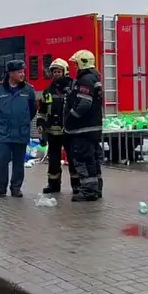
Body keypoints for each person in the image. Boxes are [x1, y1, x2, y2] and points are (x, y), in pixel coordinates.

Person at [0, 60, 37, 198]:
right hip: (3, 132)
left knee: (18, 162)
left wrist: (22, 121)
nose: (22, 74)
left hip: (21, 131)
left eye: (23, 71)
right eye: (19, 72)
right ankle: (1, 188)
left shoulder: (28, 90)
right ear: (10, 73)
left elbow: (33, 110)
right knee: (2, 160)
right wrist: (1, 122)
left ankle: (16, 188)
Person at [64, 50, 104, 202]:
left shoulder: (85, 80)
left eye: (76, 64)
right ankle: (96, 188)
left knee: (83, 160)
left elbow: (84, 104)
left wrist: (71, 118)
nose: (75, 67)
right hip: (93, 128)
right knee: (93, 160)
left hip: (83, 129)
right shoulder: (94, 78)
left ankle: (88, 191)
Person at [37, 58, 80, 194]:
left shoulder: (74, 88)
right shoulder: (48, 91)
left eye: (59, 71)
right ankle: (53, 185)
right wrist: (41, 125)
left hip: (69, 132)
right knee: (53, 161)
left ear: (65, 72)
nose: (56, 74)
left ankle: (77, 186)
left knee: (73, 160)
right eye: (54, 72)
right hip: (53, 133)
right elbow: (42, 111)